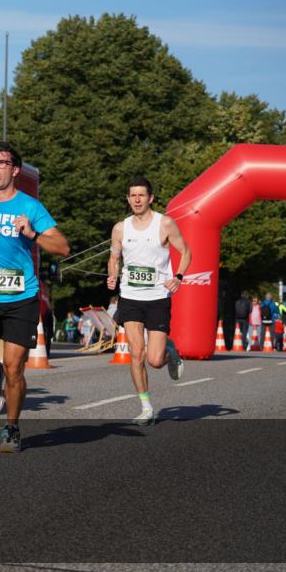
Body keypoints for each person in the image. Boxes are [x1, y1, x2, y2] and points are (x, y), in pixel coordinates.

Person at [0, 143, 69, 452]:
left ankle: (11, 427)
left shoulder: (30, 207)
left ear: (15, 169)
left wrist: (32, 234)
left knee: (15, 367)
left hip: (21, 296)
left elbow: (62, 247)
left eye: (1, 163)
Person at [107, 176, 192, 426]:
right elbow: (114, 258)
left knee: (155, 360)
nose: (136, 199)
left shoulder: (164, 224)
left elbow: (186, 252)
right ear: (128, 198)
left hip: (157, 298)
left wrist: (178, 276)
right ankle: (146, 407)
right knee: (136, 353)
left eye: (141, 195)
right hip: (130, 297)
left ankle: (170, 351)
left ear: (151, 198)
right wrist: (113, 275)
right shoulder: (120, 228)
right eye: (132, 195)